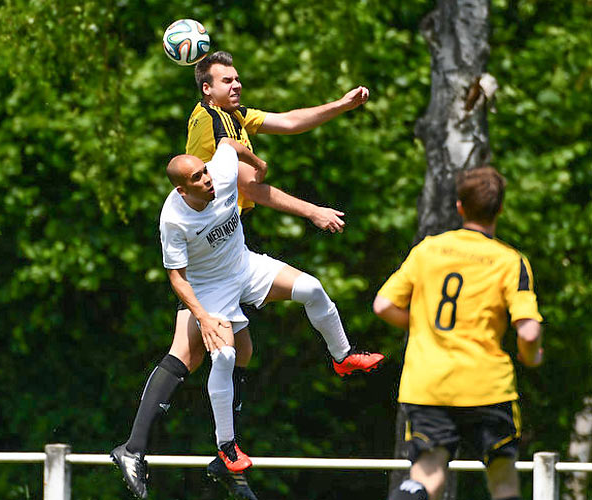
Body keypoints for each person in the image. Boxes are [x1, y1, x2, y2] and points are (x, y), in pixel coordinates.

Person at [111, 51, 381, 500]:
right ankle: (190, 452)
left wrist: (341, 105)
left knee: (243, 348)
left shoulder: (231, 121)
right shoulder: (203, 135)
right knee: (206, 355)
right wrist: (310, 209)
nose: (237, 85)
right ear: (206, 87)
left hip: (235, 258)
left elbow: (285, 125)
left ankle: (338, 360)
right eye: (227, 80)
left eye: (238, 78)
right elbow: (240, 187)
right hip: (203, 273)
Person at [372, 166, 544, 500]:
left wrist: (421, 324)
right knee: (503, 480)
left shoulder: (428, 249)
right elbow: (529, 327)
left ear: (460, 206)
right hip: (487, 387)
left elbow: (382, 305)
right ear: (500, 209)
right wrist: (530, 354)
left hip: (428, 384)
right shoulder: (510, 260)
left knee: (428, 475)